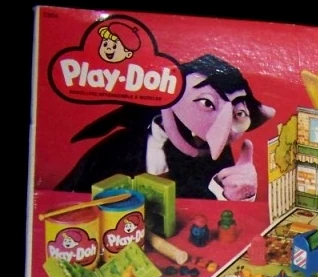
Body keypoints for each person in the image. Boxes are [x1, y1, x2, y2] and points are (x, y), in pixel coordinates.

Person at [56, 54, 275, 201]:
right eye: (207, 103)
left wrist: (235, 193)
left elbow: (215, 207)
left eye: (238, 114)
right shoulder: (117, 148)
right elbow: (67, 196)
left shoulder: (213, 153)